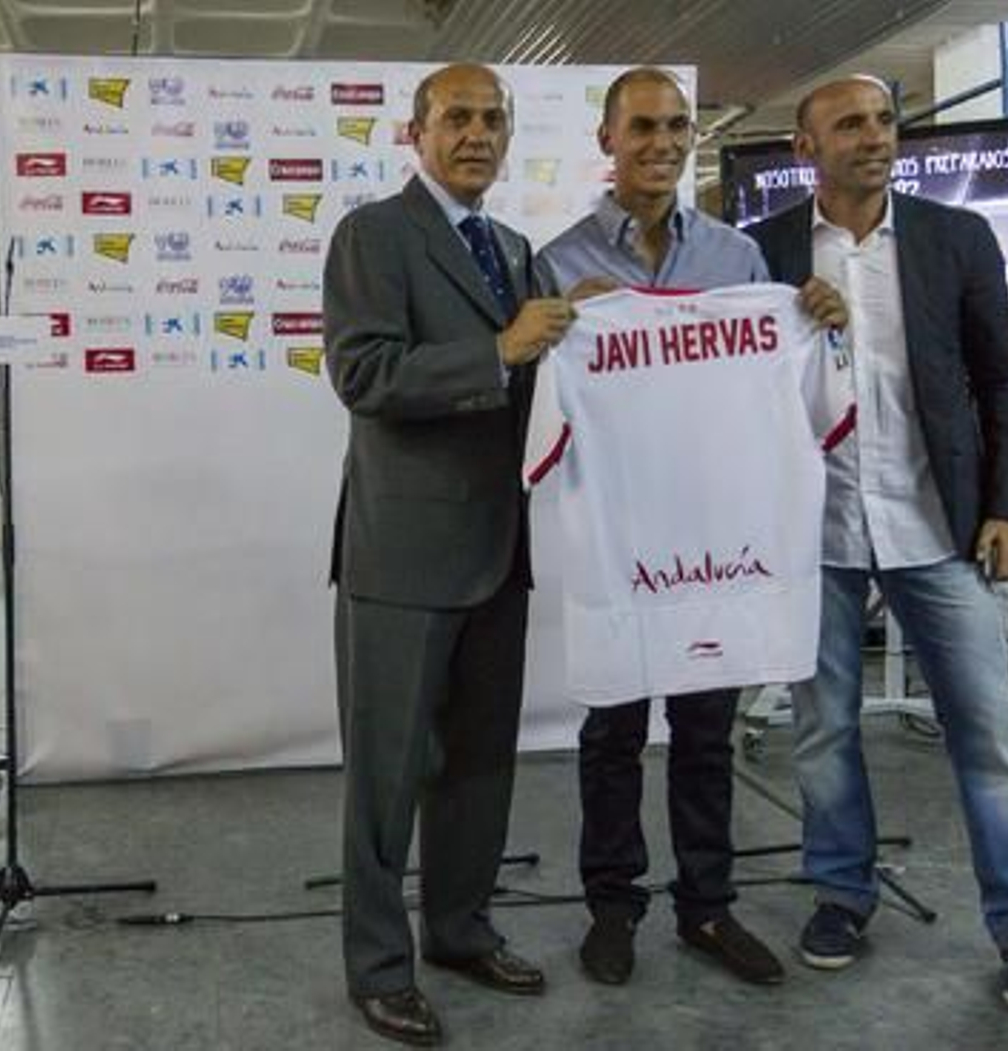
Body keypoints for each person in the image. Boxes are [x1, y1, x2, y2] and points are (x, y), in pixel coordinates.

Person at [746, 75, 1008, 1016]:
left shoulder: (953, 238)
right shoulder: (761, 253)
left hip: (937, 526)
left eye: (884, 122)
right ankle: (842, 891)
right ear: (806, 147)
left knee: (990, 732)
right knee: (822, 730)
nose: (875, 138)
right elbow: (732, 384)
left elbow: (1005, 381)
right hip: (820, 532)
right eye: (850, 124)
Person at [535, 65, 846, 991]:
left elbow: (771, 383)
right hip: (626, 538)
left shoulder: (739, 262)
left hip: (715, 538)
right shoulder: (556, 263)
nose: (663, 143)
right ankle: (612, 908)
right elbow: (533, 394)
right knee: (613, 732)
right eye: (643, 128)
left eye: (677, 127)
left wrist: (816, 320)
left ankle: (708, 907)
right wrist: (566, 326)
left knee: (707, 730)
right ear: (607, 140)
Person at [323, 62, 577, 1047]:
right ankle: (379, 968)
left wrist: (587, 327)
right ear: (415, 132)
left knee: (479, 767)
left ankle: (462, 929)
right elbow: (364, 372)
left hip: (498, 549)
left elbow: (541, 371)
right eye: (457, 117)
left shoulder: (514, 248)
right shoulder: (373, 235)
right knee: (385, 780)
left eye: (492, 119)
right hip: (399, 556)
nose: (476, 134)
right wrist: (502, 351)